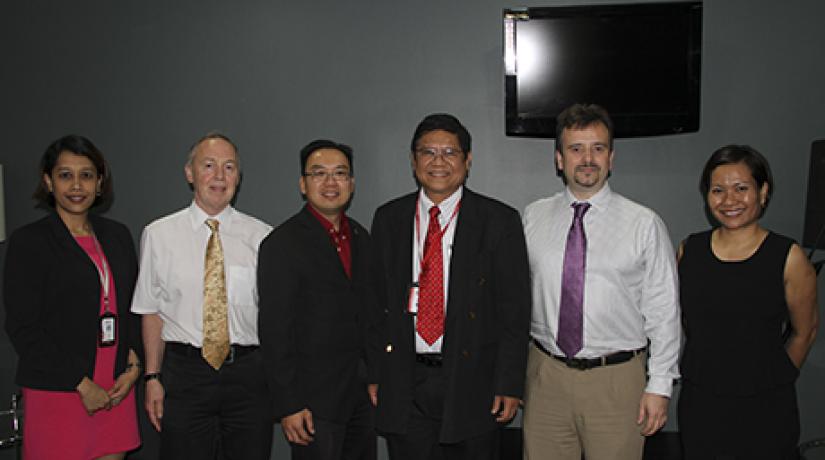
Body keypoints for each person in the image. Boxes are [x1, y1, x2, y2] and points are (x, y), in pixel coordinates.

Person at [522, 103, 681, 460]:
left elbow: (664, 311)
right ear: (559, 159)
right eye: (576, 149)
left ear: (611, 157)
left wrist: (660, 386)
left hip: (617, 381)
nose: (587, 158)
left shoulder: (644, 224)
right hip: (546, 376)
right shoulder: (533, 217)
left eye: (598, 148)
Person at [369, 113, 531, 460]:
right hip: (405, 380)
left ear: (467, 160)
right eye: (428, 152)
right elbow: (374, 304)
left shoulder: (499, 221)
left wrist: (509, 383)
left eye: (449, 152)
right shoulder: (389, 219)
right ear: (413, 161)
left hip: (474, 382)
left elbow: (514, 312)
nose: (438, 162)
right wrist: (374, 374)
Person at [130, 133, 273, 459]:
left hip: (248, 377)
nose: (219, 176)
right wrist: (152, 376)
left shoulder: (264, 237)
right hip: (185, 376)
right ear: (189, 173)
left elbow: (275, 314)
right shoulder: (158, 235)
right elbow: (151, 310)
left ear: (239, 175)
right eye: (208, 166)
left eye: (229, 167)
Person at [4, 135, 142, 460]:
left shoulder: (118, 236)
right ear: (48, 181)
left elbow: (133, 307)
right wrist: (81, 384)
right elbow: (23, 328)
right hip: (61, 390)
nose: (77, 185)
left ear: (99, 182)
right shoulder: (30, 242)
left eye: (87, 175)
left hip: (114, 389)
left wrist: (134, 367)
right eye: (66, 175)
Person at [677, 145, 818, 459]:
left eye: (741, 188)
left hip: (766, 406)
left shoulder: (788, 256)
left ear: (763, 191)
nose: (729, 200)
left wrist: (772, 376)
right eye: (718, 190)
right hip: (702, 403)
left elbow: (804, 332)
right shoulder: (690, 250)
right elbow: (688, 322)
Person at [258, 139, 377, 459]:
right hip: (311, 404)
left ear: (351, 184)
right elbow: (274, 331)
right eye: (318, 173)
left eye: (340, 173)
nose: (330, 182)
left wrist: (374, 377)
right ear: (302, 183)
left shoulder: (362, 238)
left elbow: (369, 317)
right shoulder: (281, 244)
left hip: (360, 397)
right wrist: (289, 404)